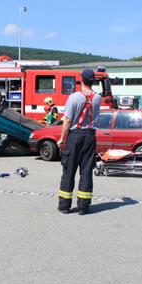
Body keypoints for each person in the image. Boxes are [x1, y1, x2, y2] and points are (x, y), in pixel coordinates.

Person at [56, 69, 101, 215]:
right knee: (86, 171)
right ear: (93, 81)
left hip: (75, 136)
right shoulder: (97, 98)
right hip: (90, 136)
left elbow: (67, 120)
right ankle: (83, 207)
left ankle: (64, 206)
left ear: (81, 79)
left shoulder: (74, 97)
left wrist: (62, 138)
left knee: (69, 170)